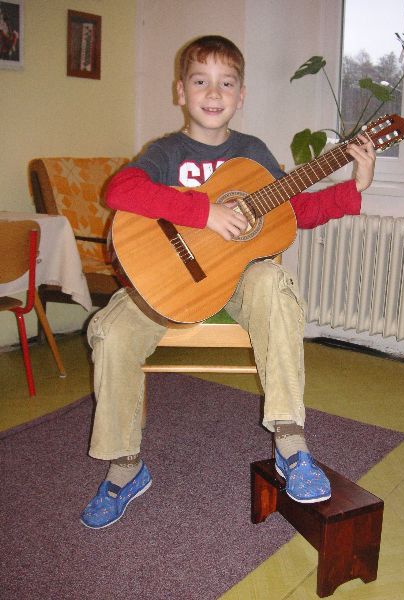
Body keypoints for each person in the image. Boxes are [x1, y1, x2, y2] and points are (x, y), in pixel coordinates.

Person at [81, 35, 376, 529]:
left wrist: (354, 188)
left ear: (241, 95)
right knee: (111, 333)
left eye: (226, 83)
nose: (213, 93)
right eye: (201, 81)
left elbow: (293, 211)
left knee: (273, 284)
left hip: (236, 281)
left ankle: (290, 441)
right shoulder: (167, 152)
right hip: (163, 283)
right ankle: (125, 467)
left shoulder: (252, 154)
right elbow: (122, 190)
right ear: (180, 91)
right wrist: (204, 212)